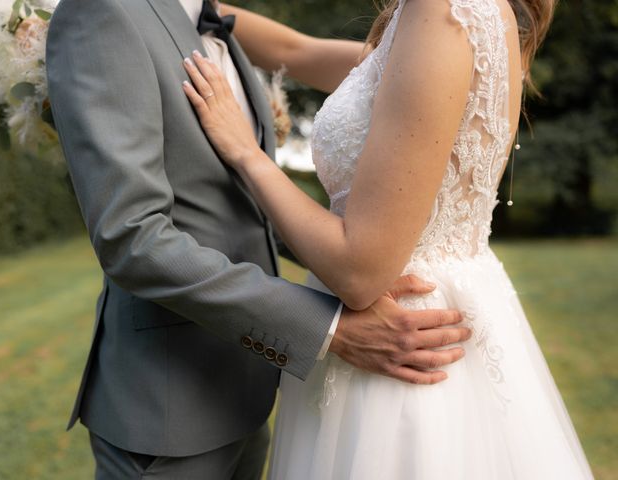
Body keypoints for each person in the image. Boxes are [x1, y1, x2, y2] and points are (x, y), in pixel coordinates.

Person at [45, 0, 472, 478]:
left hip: (246, 389)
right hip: (167, 408)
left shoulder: (216, 25)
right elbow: (132, 238)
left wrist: (351, 252)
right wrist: (328, 330)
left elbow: (239, 209)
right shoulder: (102, 12)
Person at [182, 0, 595, 478]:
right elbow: (297, 49)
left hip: (399, 343)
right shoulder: (466, 11)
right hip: (447, 314)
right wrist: (192, 6)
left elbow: (359, 272)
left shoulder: (439, 10)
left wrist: (244, 153)